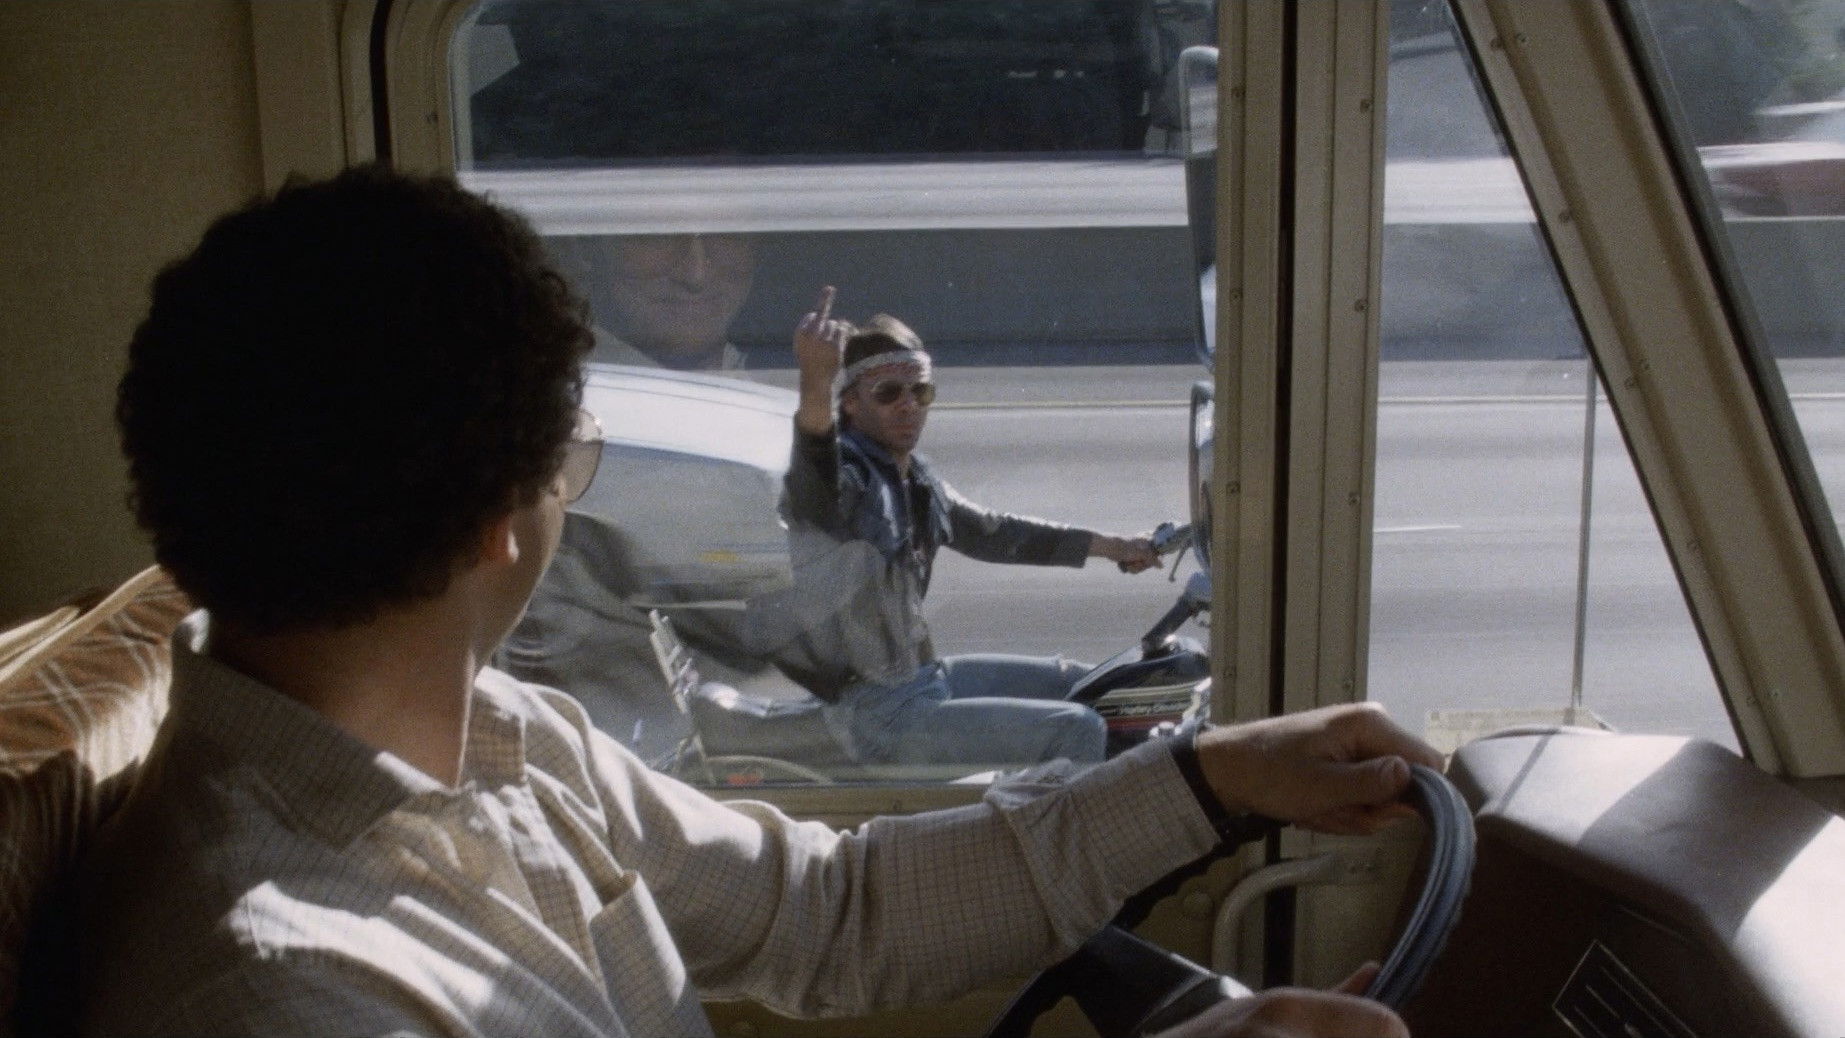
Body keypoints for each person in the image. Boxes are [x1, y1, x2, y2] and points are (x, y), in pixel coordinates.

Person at [77, 165, 1434, 1038]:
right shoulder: (291, 995)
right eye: (574, 456)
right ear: (507, 510)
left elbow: (829, 914)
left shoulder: (497, 738)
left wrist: (1210, 776)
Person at [763, 287, 1162, 769]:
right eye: (888, 393)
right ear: (850, 403)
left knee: (1092, 684)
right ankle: (1064, 822)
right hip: (878, 715)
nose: (908, 405)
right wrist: (814, 384)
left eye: (920, 392)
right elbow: (814, 482)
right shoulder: (850, 477)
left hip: (921, 679)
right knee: (1076, 729)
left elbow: (995, 534)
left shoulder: (915, 478)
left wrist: (1117, 547)